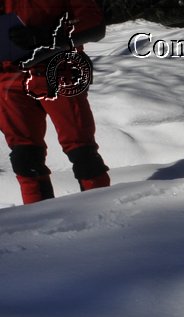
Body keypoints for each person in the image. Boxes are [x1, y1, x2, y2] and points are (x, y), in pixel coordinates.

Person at [0, 0, 109, 204]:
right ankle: (41, 223)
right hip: (8, 79)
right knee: (25, 159)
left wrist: (44, 37)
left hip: (58, 71)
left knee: (82, 151)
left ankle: (104, 214)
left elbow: (94, 26)